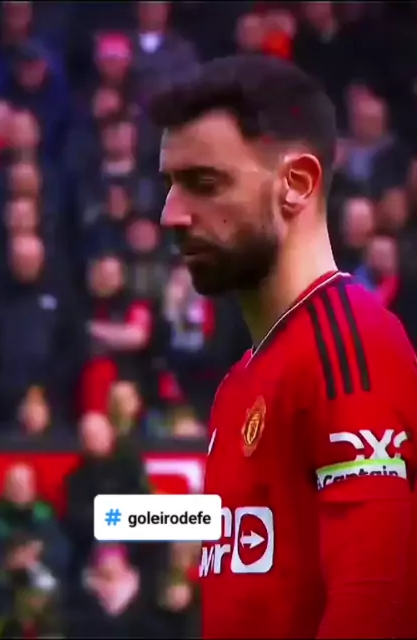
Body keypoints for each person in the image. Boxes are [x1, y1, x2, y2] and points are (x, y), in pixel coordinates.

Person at [150, 54, 417, 639]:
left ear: (296, 184)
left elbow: (378, 608)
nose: (171, 214)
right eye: (169, 185)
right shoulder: (239, 383)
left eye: (203, 184)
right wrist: (128, 520)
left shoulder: (352, 346)